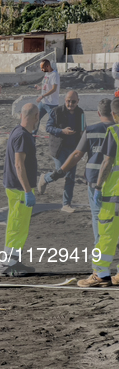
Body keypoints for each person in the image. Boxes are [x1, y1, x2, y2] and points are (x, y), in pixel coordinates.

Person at [38, 99, 113, 245]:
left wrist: (60, 171)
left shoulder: (90, 130)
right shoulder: (115, 130)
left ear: (98, 113)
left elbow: (77, 155)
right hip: (113, 178)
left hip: (93, 178)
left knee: (97, 214)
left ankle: (100, 245)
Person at [78, 98, 119, 287]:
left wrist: (98, 186)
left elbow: (107, 162)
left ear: (114, 115)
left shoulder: (114, 132)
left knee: (106, 234)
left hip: (113, 194)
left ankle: (100, 274)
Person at [0, 103, 40, 277]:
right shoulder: (22, 136)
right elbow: (18, 164)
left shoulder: (18, 131)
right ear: (36, 117)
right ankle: (8, 264)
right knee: (17, 227)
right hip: (19, 189)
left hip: (16, 187)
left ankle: (13, 260)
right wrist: (27, 191)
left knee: (18, 226)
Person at [44, 90, 85, 213]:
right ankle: (45, 179)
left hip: (74, 149)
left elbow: (84, 129)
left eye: (73, 101)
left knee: (70, 177)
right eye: (68, 101)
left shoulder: (80, 112)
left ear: (78, 101)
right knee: (60, 172)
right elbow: (48, 127)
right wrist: (62, 131)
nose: (70, 104)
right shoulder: (56, 112)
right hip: (59, 148)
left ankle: (66, 204)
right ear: (64, 100)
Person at [32, 59, 60, 135]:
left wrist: (42, 96)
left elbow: (54, 89)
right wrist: (40, 88)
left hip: (51, 104)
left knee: (55, 122)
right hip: (43, 103)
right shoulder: (46, 74)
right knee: (36, 119)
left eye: (42, 68)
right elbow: (47, 86)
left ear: (48, 66)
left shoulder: (55, 75)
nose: (41, 69)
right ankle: (32, 137)